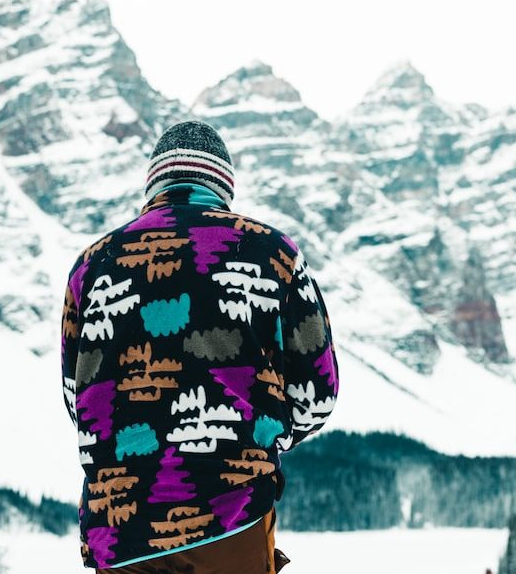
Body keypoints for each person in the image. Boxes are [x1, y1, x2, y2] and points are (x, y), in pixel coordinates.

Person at [60, 120, 339, 573]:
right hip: (234, 514)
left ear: (154, 185)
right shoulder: (273, 254)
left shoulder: (92, 266)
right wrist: (263, 433)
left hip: (119, 525)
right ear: (223, 186)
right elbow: (317, 397)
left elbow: (78, 399)